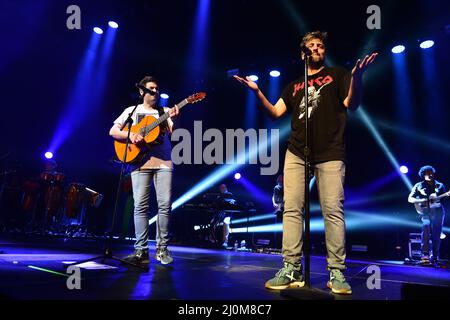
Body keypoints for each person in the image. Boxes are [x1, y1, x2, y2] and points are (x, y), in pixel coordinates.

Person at [235, 31, 377, 294]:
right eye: (311, 46)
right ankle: (291, 267)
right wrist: (257, 93)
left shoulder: (337, 75)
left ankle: (336, 272)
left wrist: (357, 77)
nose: (317, 49)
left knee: (333, 210)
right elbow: (276, 112)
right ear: (303, 53)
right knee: (291, 209)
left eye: (320, 46)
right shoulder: (293, 85)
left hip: (331, 151)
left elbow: (352, 104)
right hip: (297, 151)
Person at [109, 76, 179, 265]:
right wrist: (131, 134)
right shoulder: (132, 111)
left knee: (164, 205)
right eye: (151, 88)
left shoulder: (164, 111)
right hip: (138, 162)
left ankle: (162, 250)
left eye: (157, 88)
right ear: (142, 91)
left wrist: (174, 118)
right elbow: (113, 131)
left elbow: (172, 131)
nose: (155, 91)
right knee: (140, 206)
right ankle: (140, 252)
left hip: (163, 162)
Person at [408, 165, 447, 264]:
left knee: (436, 233)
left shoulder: (440, 185)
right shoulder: (418, 185)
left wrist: (442, 197)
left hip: (438, 211)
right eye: (427, 173)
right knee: (425, 227)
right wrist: (422, 200)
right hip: (425, 211)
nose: (430, 174)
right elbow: (410, 199)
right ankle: (425, 254)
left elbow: (444, 199)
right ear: (423, 175)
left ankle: (434, 255)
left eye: (431, 172)